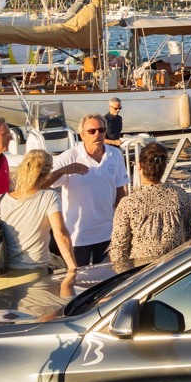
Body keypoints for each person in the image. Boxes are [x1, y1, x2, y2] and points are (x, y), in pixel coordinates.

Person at [0, 148, 79, 293]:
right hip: (33, 276)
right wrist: (72, 267)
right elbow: (61, 234)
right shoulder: (49, 197)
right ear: (47, 174)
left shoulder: (0, 200)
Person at [53, 112, 131, 266]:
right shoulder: (69, 156)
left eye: (101, 130)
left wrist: (122, 222)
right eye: (92, 131)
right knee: (79, 282)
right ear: (82, 135)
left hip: (107, 232)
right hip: (78, 235)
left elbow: (121, 190)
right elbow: (45, 183)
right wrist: (64, 170)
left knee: (108, 279)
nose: (98, 134)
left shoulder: (114, 154)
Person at [109, 143, 191, 267]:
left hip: (143, 274)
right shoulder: (180, 196)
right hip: (174, 268)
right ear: (164, 167)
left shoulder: (129, 203)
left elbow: (118, 249)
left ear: (139, 166)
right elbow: (190, 235)